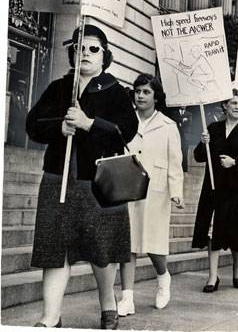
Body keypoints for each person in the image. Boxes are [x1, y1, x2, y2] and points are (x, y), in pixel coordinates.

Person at [26, 25, 138, 329]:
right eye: (80, 47)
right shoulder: (59, 88)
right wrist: (58, 128)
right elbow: (32, 124)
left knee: (101, 252)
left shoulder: (115, 91)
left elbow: (125, 131)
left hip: (100, 184)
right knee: (54, 249)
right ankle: (50, 317)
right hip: (57, 179)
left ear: (105, 56)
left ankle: (108, 303)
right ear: (72, 53)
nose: (85, 53)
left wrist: (90, 123)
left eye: (93, 48)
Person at [117, 74, 184, 316]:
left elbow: (175, 162)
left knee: (154, 244)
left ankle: (163, 278)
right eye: (138, 91)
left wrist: (176, 192)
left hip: (156, 191)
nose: (141, 96)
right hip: (127, 188)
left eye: (146, 92)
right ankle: (127, 298)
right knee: (128, 243)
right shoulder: (125, 122)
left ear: (156, 96)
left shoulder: (168, 126)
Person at [191, 90, 238, 292]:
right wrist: (203, 142)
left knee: (235, 232)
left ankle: (236, 267)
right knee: (212, 233)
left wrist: (236, 163)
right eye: (233, 102)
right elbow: (199, 156)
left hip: (235, 189)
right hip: (213, 189)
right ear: (225, 105)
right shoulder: (213, 129)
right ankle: (212, 276)